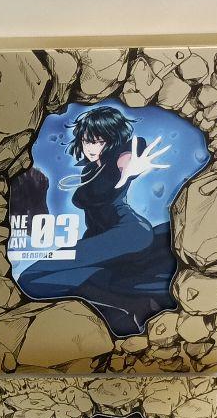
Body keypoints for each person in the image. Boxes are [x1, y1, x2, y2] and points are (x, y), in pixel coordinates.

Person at [17, 106, 175, 336]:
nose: (90, 147)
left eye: (98, 141)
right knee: (32, 278)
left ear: (112, 140)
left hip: (130, 232)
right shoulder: (90, 170)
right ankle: (131, 306)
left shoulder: (120, 160)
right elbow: (94, 219)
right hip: (105, 236)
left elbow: (131, 155)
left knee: (30, 278)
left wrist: (128, 172)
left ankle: (129, 306)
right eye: (86, 140)